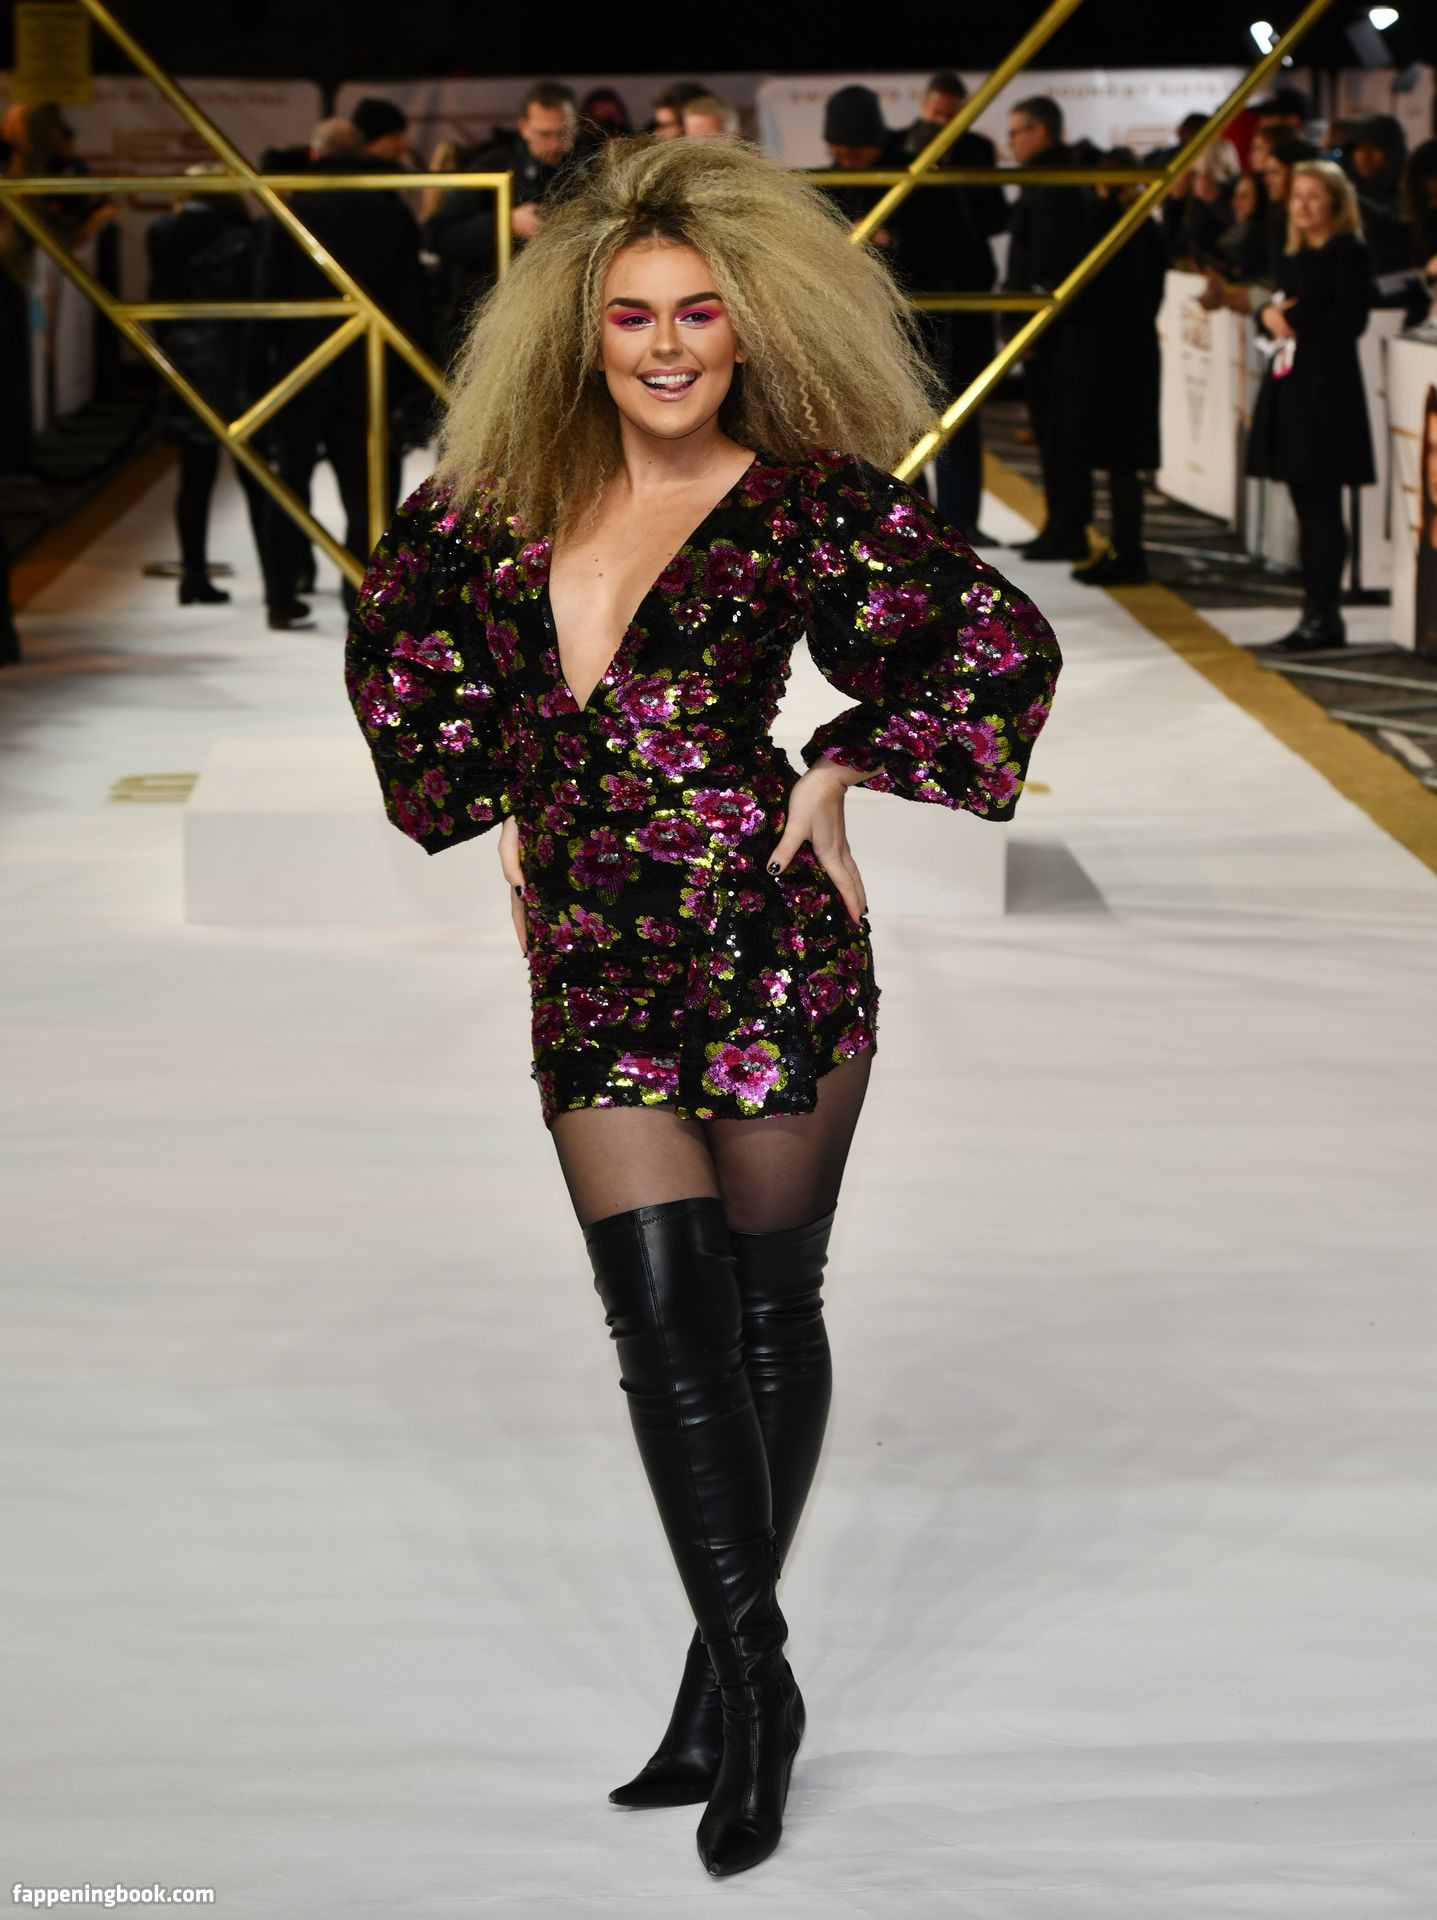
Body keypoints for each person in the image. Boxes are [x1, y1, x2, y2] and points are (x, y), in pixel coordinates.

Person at [342, 133, 1062, 1879]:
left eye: (697, 314)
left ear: (748, 327)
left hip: (764, 937)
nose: (665, 346)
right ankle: (760, 1685)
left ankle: (714, 1689)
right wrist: (510, 796)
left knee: (762, 1307)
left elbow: (992, 643)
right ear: (578, 331)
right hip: (593, 950)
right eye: (631, 316)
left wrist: (844, 761)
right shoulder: (491, 499)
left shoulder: (807, 500)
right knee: (660, 1321)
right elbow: (401, 652)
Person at [250, 116, 433, 618]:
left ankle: (281, 595)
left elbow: (266, 301)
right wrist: (413, 378)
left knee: (290, 481)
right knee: (367, 488)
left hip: (300, 368)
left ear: (315, 155)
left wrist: (256, 375)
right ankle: (360, 593)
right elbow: (411, 301)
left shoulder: (289, 212)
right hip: (368, 369)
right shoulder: (389, 212)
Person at [819, 83, 991, 542]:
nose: (849, 160)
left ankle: (943, 532)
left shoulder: (916, 177)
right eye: (840, 151)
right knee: (871, 444)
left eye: (857, 151)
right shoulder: (824, 183)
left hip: (918, 334)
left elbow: (961, 249)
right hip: (852, 336)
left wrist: (893, 242)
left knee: (931, 438)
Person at [144, 164, 293, 613]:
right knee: (256, 478)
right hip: (238, 360)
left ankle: (193, 576)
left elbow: (156, 297)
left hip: (186, 359)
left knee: (195, 476)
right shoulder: (249, 235)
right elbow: (257, 303)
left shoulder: (161, 232)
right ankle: (276, 586)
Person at [1245, 159, 1375, 653]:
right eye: (1296, 196)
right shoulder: (1294, 253)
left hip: (1328, 394)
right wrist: (1267, 314)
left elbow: (1350, 322)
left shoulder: (1348, 253)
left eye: (1313, 196)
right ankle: (1313, 610)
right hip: (1293, 388)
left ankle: (1325, 614)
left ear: (1336, 204)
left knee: (1322, 506)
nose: (1301, 206)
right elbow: (1274, 310)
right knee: (1306, 502)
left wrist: (1292, 320)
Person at [898, 70, 1009, 542]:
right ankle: (916, 519)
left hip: (965, 291)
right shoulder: (899, 147)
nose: (942, 122)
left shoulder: (977, 151)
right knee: (907, 409)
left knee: (963, 407)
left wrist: (956, 178)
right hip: (914, 296)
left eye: (951, 116)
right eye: (935, 113)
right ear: (923, 106)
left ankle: (963, 522)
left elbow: (994, 217)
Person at [1058, 150, 1168, 586]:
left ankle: (1128, 553)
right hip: (1131, 353)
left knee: (1120, 461)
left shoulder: (1111, 226)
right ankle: (1124, 549)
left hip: (1112, 357)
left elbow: (1089, 289)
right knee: (1121, 462)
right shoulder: (1144, 226)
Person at [421, 81, 588, 356]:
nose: (555, 143)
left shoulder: (590, 167)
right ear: (524, 128)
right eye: (544, 134)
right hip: (500, 319)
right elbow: (438, 234)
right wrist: (506, 222)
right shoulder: (492, 169)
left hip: (572, 316)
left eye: (564, 132)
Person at [1003, 95, 1093, 558]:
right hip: (1050, 327)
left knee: (1062, 432)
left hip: (1054, 331)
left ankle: (1068, 527)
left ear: (1040, 131)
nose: (1011, 143)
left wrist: (1028, 324)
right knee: (1053, 431)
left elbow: (1047, 261)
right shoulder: (1047, 180)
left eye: (1016, 132)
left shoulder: (1056, 184)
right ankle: (1061, 524)